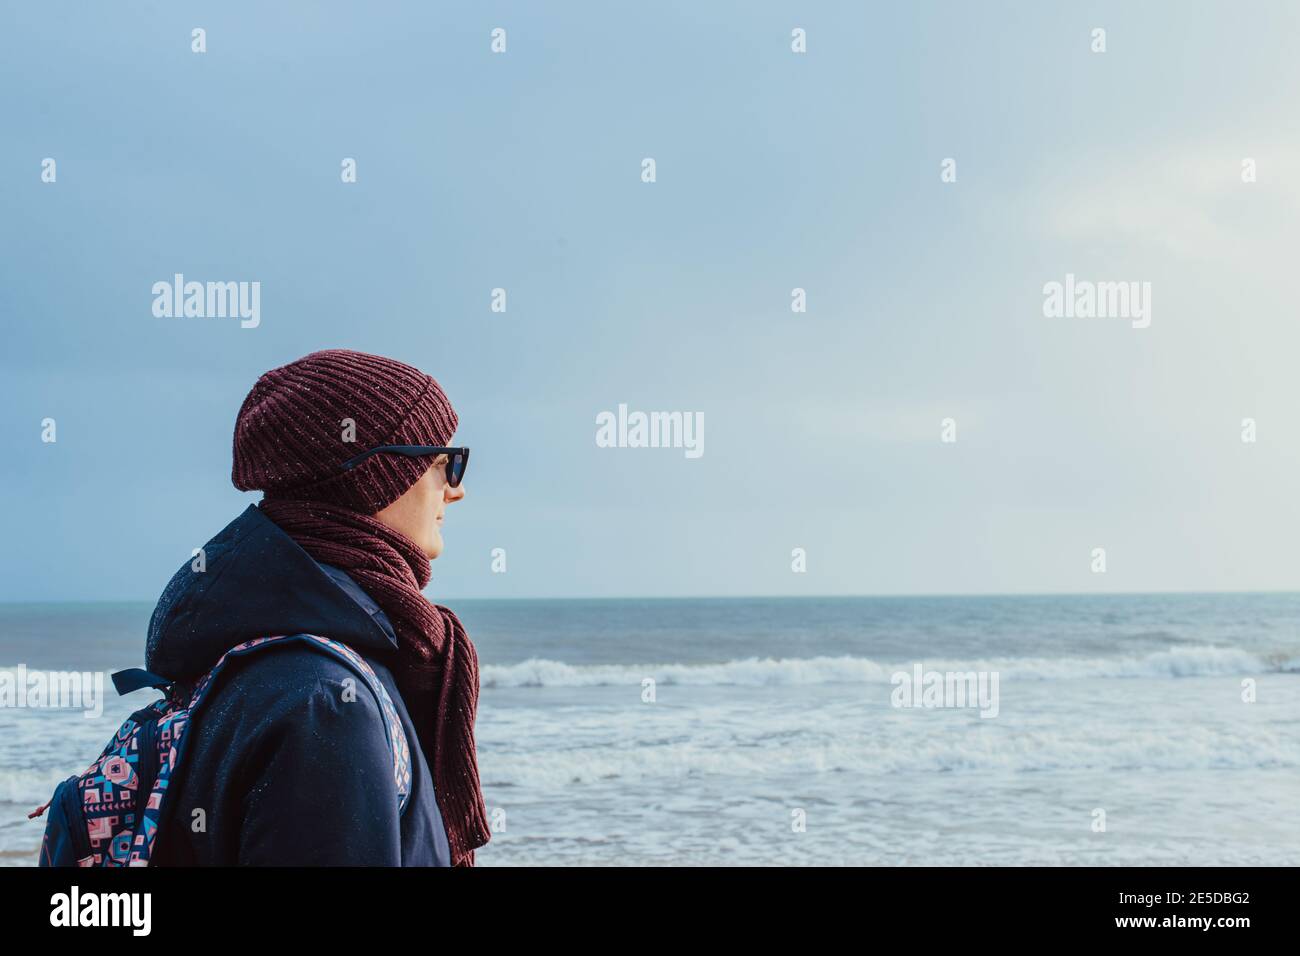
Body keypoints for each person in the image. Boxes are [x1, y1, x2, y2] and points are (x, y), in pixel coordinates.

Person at [146, 349, 490, 866]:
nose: (456, 490)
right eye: (444, 463)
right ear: (373, 477)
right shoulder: (328, 702)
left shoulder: (251, 652)